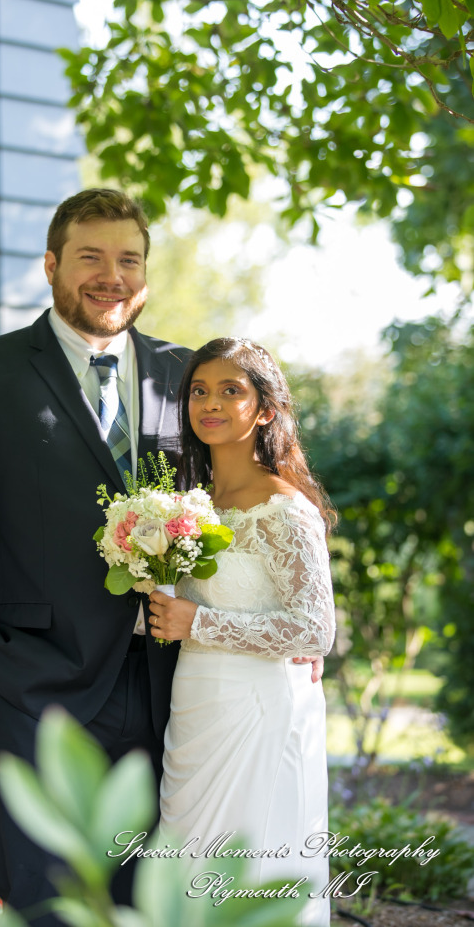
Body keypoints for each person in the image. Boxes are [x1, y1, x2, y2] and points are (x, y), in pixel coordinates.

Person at [0, 189, 192, 918]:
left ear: (146, 274)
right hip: (37, 675)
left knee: (147, 893)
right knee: (47, 891)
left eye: (128, 258)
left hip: (171, 679)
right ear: (51, 266)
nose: (111, 275)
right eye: (90, 257)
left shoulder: (183, 376)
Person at [148, 337, 336, 926]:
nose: (211, 403)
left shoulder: (284, 508)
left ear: (265, 409)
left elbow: (314, 629)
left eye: (232, 391)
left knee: (248, 862)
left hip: (257, 707)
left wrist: (198, 622)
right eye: (200, 391)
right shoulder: (191, 502)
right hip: (196, 700)